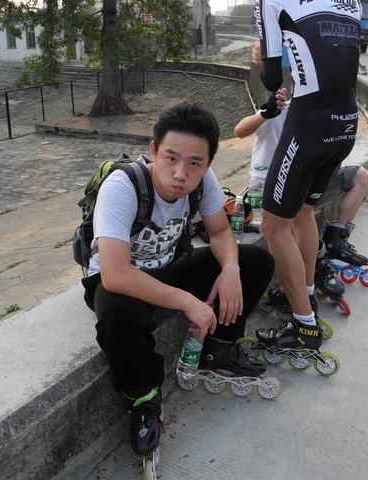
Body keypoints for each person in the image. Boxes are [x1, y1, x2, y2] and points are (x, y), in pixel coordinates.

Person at [83, 103, 275, 456]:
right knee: (120, 316)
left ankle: (218, 349)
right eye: (171, 158)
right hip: (122, 280)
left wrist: (230, 270)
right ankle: (144, 399)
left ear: (208, 164)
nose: (181, 174)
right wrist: (188, 302)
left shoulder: (204, 182)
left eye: (194, 163)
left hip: (171, 266)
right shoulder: (123, 186)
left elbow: (220, 232)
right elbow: (115, 273)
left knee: (257, 261)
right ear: (154, 151)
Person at [253, 0, 361, 347]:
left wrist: (262, 58)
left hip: (309, 126)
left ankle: (304, 325)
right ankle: (306, 291)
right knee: (303, 212)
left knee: (274, 227)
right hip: (346, 123)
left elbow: (272, 79)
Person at [234, 78, 368, 308]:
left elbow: (331, 167)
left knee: (360, 176)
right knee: (294, 219)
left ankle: (336, 239)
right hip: (268, 185)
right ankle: (307, 278)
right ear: (293, 90)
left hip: (305, 184)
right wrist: (265, 114)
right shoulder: (279, 111)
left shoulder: (322, 119)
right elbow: (239, 131)